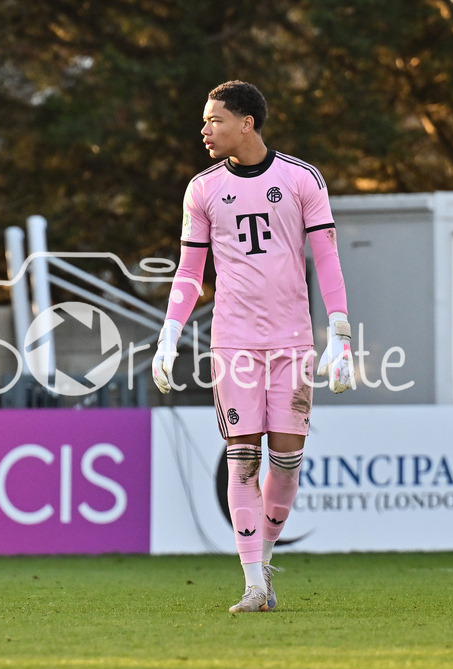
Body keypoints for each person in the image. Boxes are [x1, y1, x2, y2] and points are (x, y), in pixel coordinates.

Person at [152, 80, 355, 613]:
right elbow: (190, 272)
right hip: (235, 342)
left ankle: (263, 563)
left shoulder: (301, 179)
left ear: (247, 123)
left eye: (213, 120)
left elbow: (327, 259)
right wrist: (169, 333)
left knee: (286, 462)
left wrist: (340, 332)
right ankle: (253, 584)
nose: (204, 130)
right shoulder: (202, 189)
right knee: (242, 459)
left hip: (292, 341)